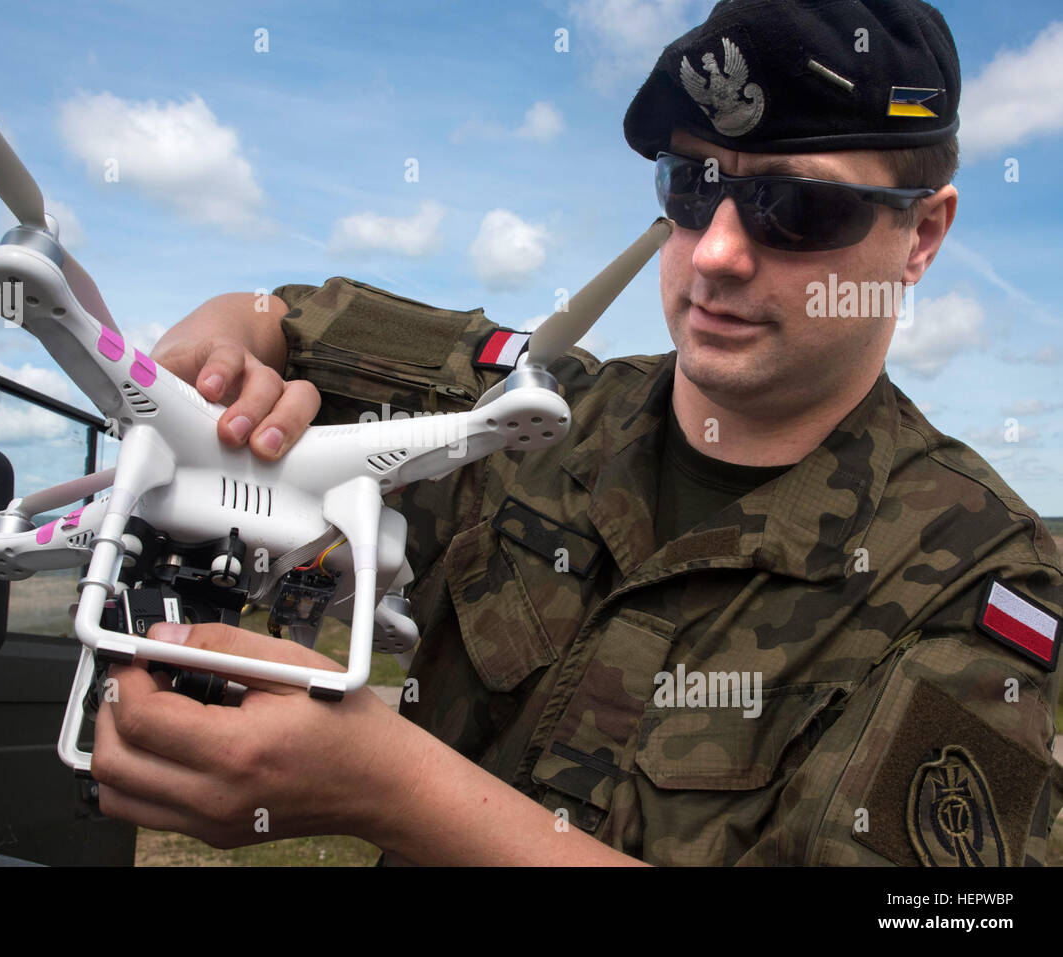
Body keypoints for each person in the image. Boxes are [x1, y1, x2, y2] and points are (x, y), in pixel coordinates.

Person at [91, 0, 1062, 865]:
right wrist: (217, 354)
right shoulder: (531, 415)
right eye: (692, 186)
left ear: (923, 235)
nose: (717, 252)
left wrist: (388, 787)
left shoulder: (979, 584)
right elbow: (285, 315)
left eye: (794, 207)